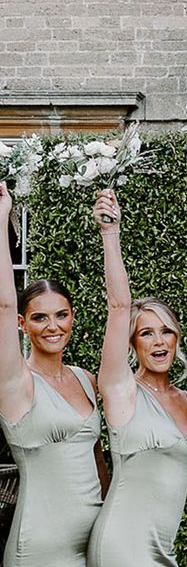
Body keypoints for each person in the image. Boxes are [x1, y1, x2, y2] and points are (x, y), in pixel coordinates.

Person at [0, 182, 109, 567]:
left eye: (61, 315)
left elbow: (98, 462)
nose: (52, 326)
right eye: (39, 317)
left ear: (73, 318)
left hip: (96, 540)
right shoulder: (16, 384)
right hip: (40, 548)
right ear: (21, 323)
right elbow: (2, 302)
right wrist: (2, 221)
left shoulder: (85, 379)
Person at [87, 190, 187, 567]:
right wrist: (110, 234)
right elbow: (119, 307)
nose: (159, 340)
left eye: (166, 331)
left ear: (177, 338)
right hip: (123, 545)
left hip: (162, 549)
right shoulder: (122, 391)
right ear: (132, 343)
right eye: (146, 333)